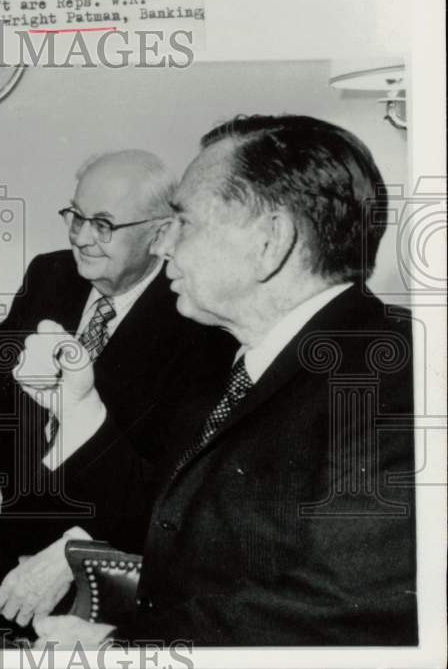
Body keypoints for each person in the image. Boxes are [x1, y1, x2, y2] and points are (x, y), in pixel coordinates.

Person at [28, 115, 417, 646]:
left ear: (269, 242)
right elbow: (161, 515)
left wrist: (118, 650)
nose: (164, 248)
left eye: (184, 224)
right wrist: (80, 406)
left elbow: (337, 612)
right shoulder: (243, 359)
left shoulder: (397, 381)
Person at [0, 151, 236, 637]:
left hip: (112, 514)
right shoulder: (49, 274)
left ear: (160, 235)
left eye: (103, 224)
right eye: (75, 215)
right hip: (25, 494)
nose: (79, 236)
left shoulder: (194, 319)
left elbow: (171, 480)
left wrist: (84, 544)